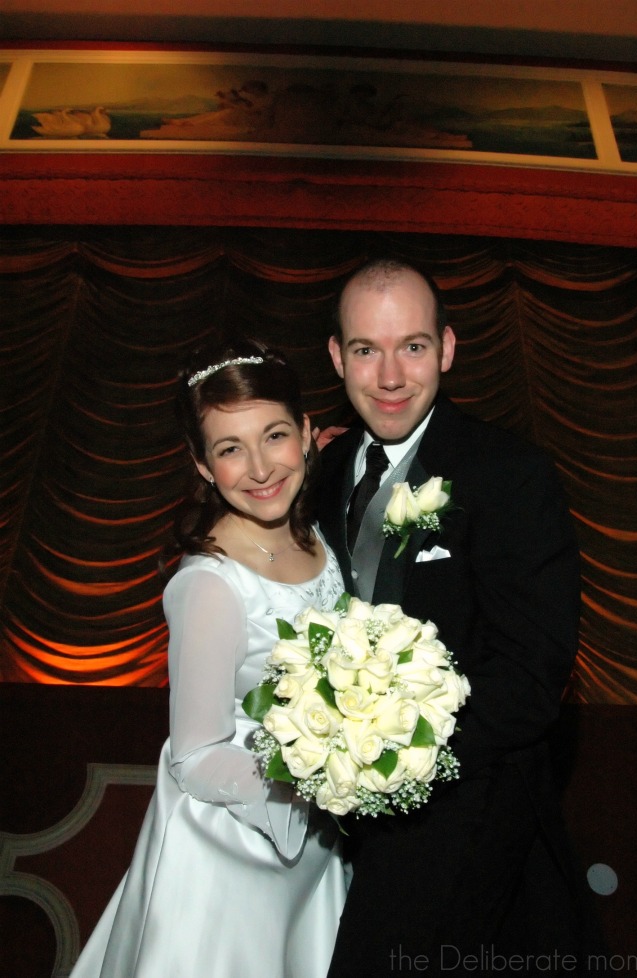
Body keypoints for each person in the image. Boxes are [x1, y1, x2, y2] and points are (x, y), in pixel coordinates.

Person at [318, 259, 600, 977]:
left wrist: (399, 763)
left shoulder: (510, 474)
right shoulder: (317, 475)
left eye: (411, 346)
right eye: (365, 350)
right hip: (325, 823)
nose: (389, 377)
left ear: (446, 348)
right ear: (335, 356)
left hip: (464, 815)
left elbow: (532, 674)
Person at [71, 337, 347, 978]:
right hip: (229, 852)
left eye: (274, 436)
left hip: (313, 852)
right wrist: (319, 782)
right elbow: (195, 755)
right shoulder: (210, 584)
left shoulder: (317, 539)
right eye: (230, 449)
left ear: (306, 433)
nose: (259, 467)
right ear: (201, 466)